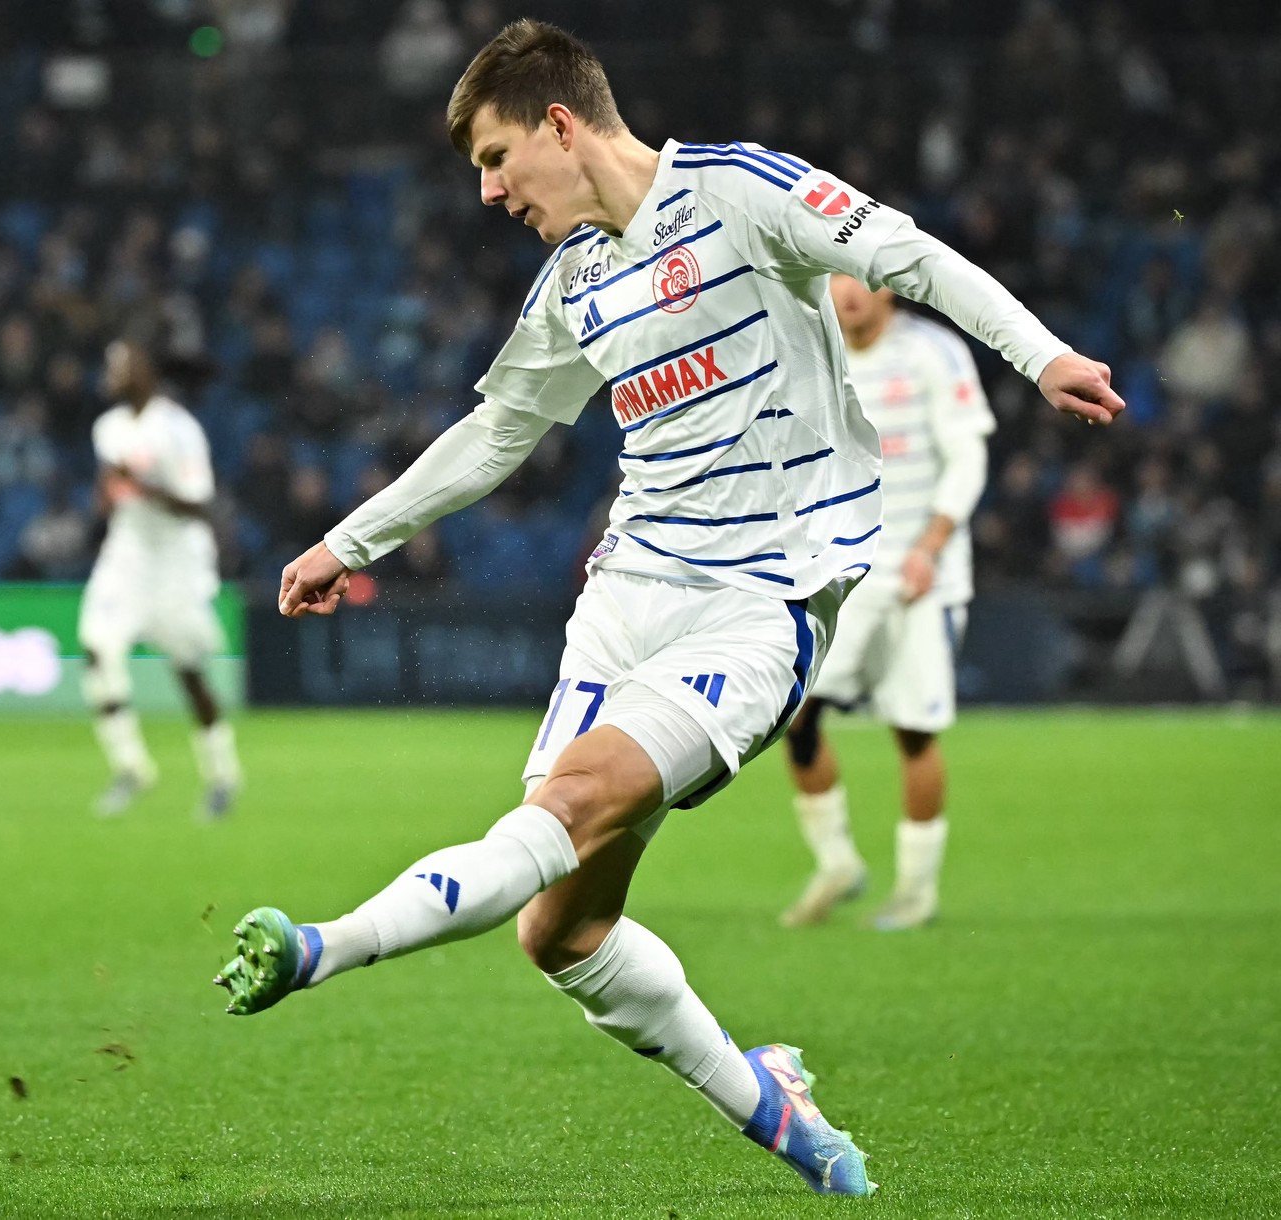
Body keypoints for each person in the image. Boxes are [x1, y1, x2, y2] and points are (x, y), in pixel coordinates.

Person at [213, 20, 1123, 1197]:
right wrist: (350, 538)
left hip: (763, 600)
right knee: (562, 933)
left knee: (574, 802)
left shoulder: (742, 193)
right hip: (627, 596)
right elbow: (501, 429)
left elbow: (908, 257)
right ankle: (771, 1104)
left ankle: (320, 945)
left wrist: (1038, 353)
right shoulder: (575, 280)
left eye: (495, 159)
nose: (489, 193)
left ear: (558, 123)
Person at [780, 276, 995, 932]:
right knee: (793, 712)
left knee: (913, 728)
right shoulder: (810, 351)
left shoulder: (933, 351)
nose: (846, 295)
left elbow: (967, 458)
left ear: (889, 290)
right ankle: (838, 861)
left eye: (860, 281)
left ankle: (916, 891)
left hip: (916, 573)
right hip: (839, 571)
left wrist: (931, 545)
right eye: (834, 281)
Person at [80, 339, 241, 819]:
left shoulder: (177, 429)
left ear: (144, 369)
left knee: (188, 670)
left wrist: (141, 485)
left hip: (177, 559)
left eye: (121, 363)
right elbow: (108, 490)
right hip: (128, 553)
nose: (111, 371)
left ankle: (222, 774)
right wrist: (109, 494)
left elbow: (198, 504)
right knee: (97, 648)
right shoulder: (107, 427)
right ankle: (131, 767)